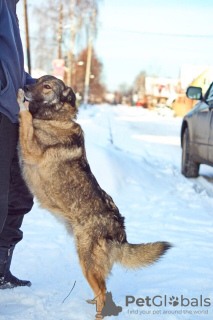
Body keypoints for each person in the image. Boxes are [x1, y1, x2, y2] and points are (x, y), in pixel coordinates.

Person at [0, 0, 35, 288]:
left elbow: (13, 71)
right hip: (0, 112)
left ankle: (1, 270)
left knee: (19, 197)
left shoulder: (11, 8)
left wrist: (40, 86)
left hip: (13, 117)